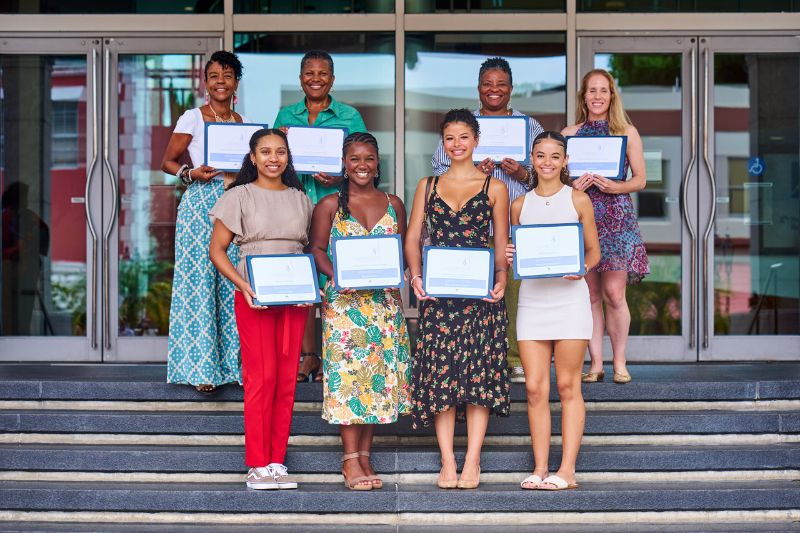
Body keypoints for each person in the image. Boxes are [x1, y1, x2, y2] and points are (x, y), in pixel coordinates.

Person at [406, 109, 510, 490]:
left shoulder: (494, 187)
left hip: (480, 296)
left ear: (476, 140)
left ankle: (474, 460)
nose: (457, 144)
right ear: (443, 143)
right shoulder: (428, 185)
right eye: (450, 137)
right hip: (439, 295)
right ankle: (448, 461)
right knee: (442, 379)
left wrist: (501, 278)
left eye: (464, 136)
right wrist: (415, 276)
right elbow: (413, 236)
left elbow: (500, 244)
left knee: (478, 378)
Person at [208, 128, 312, 490]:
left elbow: (307, 250)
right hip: (254, 295)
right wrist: (242, 284)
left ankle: (276, 461)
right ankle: (256, 464)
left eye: (280, 151)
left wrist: (309, 286)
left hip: (294, 300)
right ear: (253, 158)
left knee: (286, 379)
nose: (273, 158)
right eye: (265, 151)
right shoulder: (239, 195)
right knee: (260, 378)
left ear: (288, 157)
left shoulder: (301, 198)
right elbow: (217, 251)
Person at [431, 57, 543, 382]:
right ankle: (480, 358)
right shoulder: (462, 126)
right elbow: (439, 171)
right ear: (478, 87)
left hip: (514, 226)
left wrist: (521, 172)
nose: (494, 90)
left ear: (511, 88)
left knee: (513, 295)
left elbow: (549, 175)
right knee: (475, 297)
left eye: (501, 84)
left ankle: (515, 358)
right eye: (487, 84)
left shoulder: (529, 126)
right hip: (471, 227)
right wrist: (470, 174)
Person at [310, 132, 412, 491]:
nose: (362, 166)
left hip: (383, 306)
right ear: (343, 163)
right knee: (351, 383)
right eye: (354, 159)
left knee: (373, 383)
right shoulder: (328, 206)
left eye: (368, 158)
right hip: (344, 307)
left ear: (378, 162)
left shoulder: (394, 203)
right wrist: (337, 274)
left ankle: (365, 457)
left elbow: (401, 251)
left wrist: (399, 277)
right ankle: (349, 460)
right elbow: (318, 250)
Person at [505, 131, 600, 491]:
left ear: (565, 161)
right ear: (532, 158)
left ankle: (568, 470)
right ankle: (541, 467)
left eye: (554, 156)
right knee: (534, 388)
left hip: (570, 301)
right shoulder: (519, 205)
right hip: (533, 301)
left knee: (567, 385)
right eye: (540, 156)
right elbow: (516, 252)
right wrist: (511, 254)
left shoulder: (578, 200)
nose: (547, 163)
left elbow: (594, 252)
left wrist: (582, 268)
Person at [273, 49, 368, 384]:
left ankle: (335, 355)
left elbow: (362, 161)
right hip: (294, 207)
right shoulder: (286, 116)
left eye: (322, 73)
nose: (316, 79)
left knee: (332, 282)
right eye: (309, 73)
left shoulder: (349, 116)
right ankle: (308, 356)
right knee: (300, 285)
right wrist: (280, 142)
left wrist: (339, 176)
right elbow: (272, 162)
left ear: (332, 79)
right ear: (301, 79)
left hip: (336, 209)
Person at [161, 50, 247, 393]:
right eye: (214, 76)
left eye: (227, 75)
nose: (221, 81)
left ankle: (232, 367)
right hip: (200, 203)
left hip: (233, 201)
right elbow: (167, 161)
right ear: (205, 83)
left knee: (231, 281)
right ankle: (201, 369)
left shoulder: (242, 122)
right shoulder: (193, 118)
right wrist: (189, 173)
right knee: (199, 281)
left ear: (236, 82)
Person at [562, 69, 650, 385]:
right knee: (589, 295)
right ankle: (596, 363)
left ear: (612, 95)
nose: (597, 96)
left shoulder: (627, 131)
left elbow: (640, 179)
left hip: (616, 218)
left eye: (604, 90)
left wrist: (615, 187)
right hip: (582, 217)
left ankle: (621, 362)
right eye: (592, 91)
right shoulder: (569, 133)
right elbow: (556, 180)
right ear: (583, 96)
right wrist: (574, 184)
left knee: (614, 293)